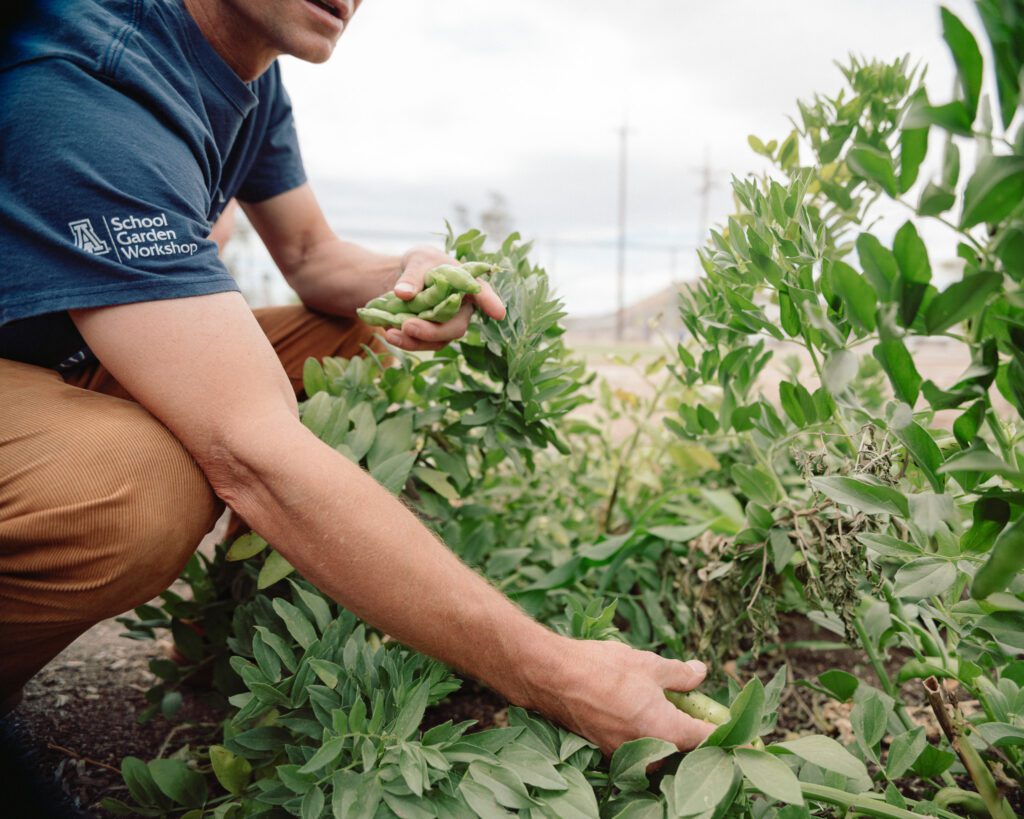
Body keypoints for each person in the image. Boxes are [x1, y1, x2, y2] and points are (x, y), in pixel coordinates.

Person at [0, 0, 716, 755]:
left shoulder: (249, 73)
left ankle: (228, 646)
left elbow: (310, 254)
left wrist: (406, 273)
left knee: (351, 337)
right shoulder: (92, 84)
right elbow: (255, 456)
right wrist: (558, 672)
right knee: (139, 490)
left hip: (78, 351)